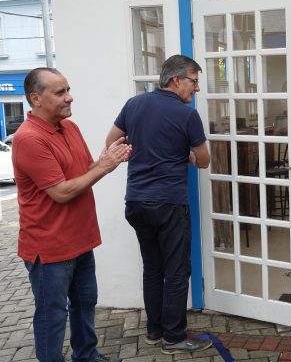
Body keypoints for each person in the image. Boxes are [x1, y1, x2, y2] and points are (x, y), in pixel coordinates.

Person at [13, 67, 131, 362]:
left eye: (68, 90)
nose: (70, 97)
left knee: (84, 303)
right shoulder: (29, 139)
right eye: (60, 92)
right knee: (52, 315)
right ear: (36, 98)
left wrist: (105, 162)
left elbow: (84, 173)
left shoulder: (70, 128)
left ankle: (86, 355)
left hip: (80, 240)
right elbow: (61, 192)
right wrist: (103, 168)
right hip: (50, 248)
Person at [106, 55, 211, 355]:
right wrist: (186, 155)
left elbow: (111, 142)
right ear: (176, 80)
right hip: (168, 203)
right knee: (176, 270)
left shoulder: (133, 105)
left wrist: (141, 146)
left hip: (136, 201)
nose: (197, 88)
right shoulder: (187, 115)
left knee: (153, 267)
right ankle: (175, 337)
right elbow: (203, 160)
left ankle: (154, 330)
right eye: (194, 81)